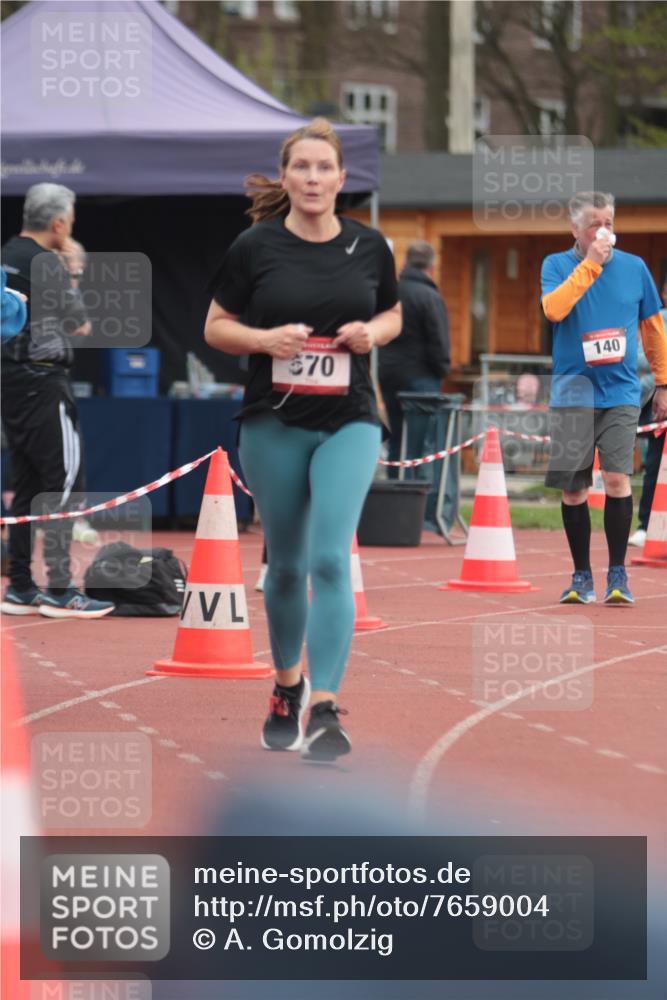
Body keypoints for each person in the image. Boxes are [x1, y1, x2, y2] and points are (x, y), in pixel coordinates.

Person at [204, 118, 401, 761]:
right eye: (302, 167)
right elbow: (216, 327)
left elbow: (392, 311)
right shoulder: (254, 247)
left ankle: (324, 706)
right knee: (285, 566)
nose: (314, 178)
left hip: (350, 416)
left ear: (343, 179)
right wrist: (265, 341)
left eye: (325, 168)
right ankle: (287, 685)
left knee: (328, 559)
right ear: (286, 177)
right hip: (274, 420)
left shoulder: (371, 247)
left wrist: (375, 333)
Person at [541, 191, 667, 604]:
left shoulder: (635, 268)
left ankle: (618, 574)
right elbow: (554, 310)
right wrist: (590, 265)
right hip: (572, 392)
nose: (604, 231)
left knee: (616, 478)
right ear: (575, 229)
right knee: (574, 490)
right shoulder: (556, 265)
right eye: (595, 224)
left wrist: (663, 383)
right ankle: (581, 576)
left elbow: (652, 328)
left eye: (610, 222)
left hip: (621, 391)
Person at [0, 183, 114, 619]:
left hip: (10, 382)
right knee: (65, 480)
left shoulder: (8, 253)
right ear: (60, 223)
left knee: (28, 484)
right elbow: (80, 324)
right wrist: (76, 269)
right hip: (43, 380)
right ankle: (62, 588)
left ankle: (23, 586)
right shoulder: (46, 263)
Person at [378, 239, 450, 477]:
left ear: (406, 262)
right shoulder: (429, 296)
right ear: (432, 265)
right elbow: (438, 340)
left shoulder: (390, 292)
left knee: (397, 438)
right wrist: (442, 370)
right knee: (421, 445)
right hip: (422, 378)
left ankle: (395, 493)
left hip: (389, 374)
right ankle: (419, 502)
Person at [629, 278, 667, 547]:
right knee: (654, 465)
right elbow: (639, 357)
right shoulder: (656, 321)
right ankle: (645, 525)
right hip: (660, 404)